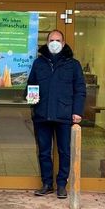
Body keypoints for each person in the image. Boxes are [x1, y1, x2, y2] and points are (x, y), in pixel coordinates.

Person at [27, 30, 86, 199]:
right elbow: (31, 84)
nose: (54, 43)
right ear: (46, 42)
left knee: (64, 151)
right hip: (42, 115)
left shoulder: (73, 64)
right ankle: (46, 183)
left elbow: (80, 90)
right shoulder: (39, 63)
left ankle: (61, 184)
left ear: (63, 42)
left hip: (64, 115)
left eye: (57, 40)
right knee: (44, 151)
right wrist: (31, 98)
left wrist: (77, 111)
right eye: (51, 40)